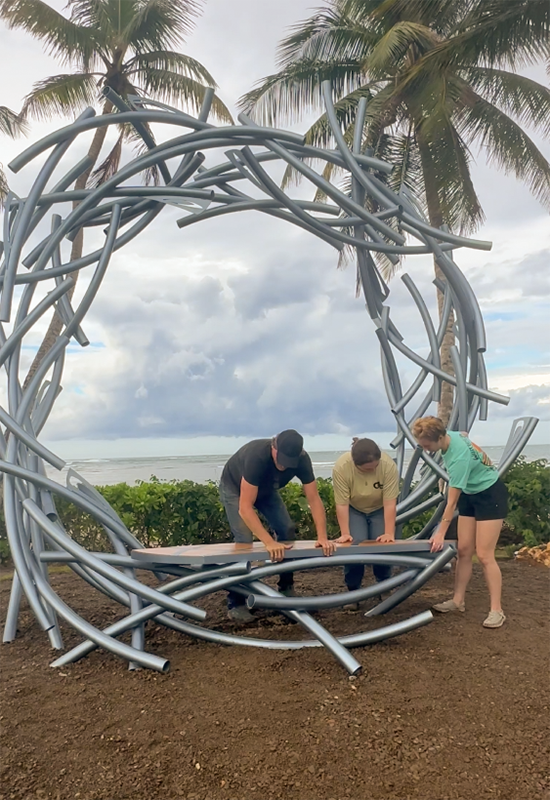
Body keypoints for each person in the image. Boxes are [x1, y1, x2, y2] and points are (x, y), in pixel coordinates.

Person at [219, 429, 336, 622]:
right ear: (274, 447)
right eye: (280, 460)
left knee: (287, 530)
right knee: (244, 539)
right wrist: (268, 542)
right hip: (235, 489)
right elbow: (245, 508)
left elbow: (314, 499)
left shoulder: (303, 460)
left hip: (267, 490)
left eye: (289, 462)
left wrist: (322, 537)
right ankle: (236, 601)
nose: (283, 466)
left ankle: (286, 589)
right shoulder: (256, 456)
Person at [411, 416, 508, 629]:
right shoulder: (451, 437)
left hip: (489, 495)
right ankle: (457, 601)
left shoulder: (458, 459)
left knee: (484, 554)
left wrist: (439, 532)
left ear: (439, 438)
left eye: (427, 445)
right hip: (470, 492)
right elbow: (462, 434)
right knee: (463, 550)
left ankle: (496, 610)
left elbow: (451, 501)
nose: (426, 449)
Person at [332, 438, 400, 609]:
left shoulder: (388, 465)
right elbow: (341, 504)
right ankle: (353, 591)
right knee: (354, 546)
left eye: (375, 467)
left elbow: (390, 503)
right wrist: (345, 532)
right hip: (354, 509)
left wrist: (389, 533)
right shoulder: (342, 467)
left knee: (383, 547)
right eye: (367, 469)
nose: (372, 470)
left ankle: (384, 587)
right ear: (356, 464)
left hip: (379, 509)